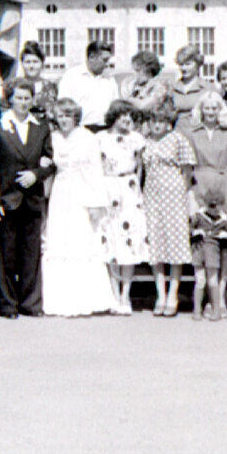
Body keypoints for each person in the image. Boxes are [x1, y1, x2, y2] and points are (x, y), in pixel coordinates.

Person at [0, 78, 56, 318]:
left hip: (33, 198)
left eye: (27, 98)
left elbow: (49, 161)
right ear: (10, 99)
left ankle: (30, 304)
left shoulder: (41, 126)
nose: (23, 102)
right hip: (8, 199)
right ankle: (7, 304)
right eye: (19, 98)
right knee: (7, 254)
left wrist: (36, 175)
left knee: (31, 254)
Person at [40, 98, 117, 317]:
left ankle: (85, 300)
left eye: (68, 115)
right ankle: (59, 301)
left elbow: (95, 172)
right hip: (60, 192)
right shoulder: (53, 138)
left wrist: (95, 203)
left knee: (80, 240)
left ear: (76, 117)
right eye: (60, 115)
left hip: (81, 193)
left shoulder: (87, 138)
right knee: (59, 240)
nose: (64, 120)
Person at [185, 91, 227, 321]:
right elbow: (187, 171)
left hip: (224, 188)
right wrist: (190, 201)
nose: (211, 112)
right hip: (199, 188)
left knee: (223, 245)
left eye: (215, 108)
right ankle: (206, 298)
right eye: (207, 108)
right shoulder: (192, 133)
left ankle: (220, 298)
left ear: (221, 111)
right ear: (201, 110)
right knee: (201, 244)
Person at [140, 104, 196, 317]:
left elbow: (187, 172)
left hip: (174, 196)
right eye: (154, 121)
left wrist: (186, 199)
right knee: (156, 245)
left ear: (169, 123)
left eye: (162, 122)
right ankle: (160, 294)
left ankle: (173, 294)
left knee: (175, 245)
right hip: (152, 197)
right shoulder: (145, 142)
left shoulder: (178, 139)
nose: (157, 125)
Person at [97, 99, 150, 314]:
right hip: (109, 188)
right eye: (122, 116)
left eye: (129, 116)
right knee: (110, 239)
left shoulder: (137, 139)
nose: (126, 120)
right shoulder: (100, 138)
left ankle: (125, 295)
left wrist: (136, 190)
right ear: (113, 117)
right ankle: (114, 295)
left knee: (129, 241)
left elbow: (139, 167)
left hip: (129, 189)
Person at [58, 40, 118, 131]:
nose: (107, 64)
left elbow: (115, 107)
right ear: (91, 57)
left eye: (108, 60)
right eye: (104, 60)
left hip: (105, 130)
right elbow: (63, 106)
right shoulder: (71, 76)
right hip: (80, 129)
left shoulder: (110, 79)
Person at [168, 45, 214, 134]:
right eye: (181, 65)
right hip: (177, 134)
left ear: (198, 65)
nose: (184, 68)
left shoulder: (208, 88)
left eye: (188, 64)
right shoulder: (172, 88)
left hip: (200, 134)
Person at [14, 40, 58, 125]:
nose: (31, 66)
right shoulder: (15, 86)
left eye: (35, 62)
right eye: (27, 62)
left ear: (42, 64)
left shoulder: (51, 87)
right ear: (22, 64)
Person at [121, 50, 170, 118]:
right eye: (134, 70)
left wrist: (128, 99)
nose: (134, 74)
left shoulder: (159, 87)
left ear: (149, 71)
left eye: (138, 70)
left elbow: (143, 106)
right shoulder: (130, 84)